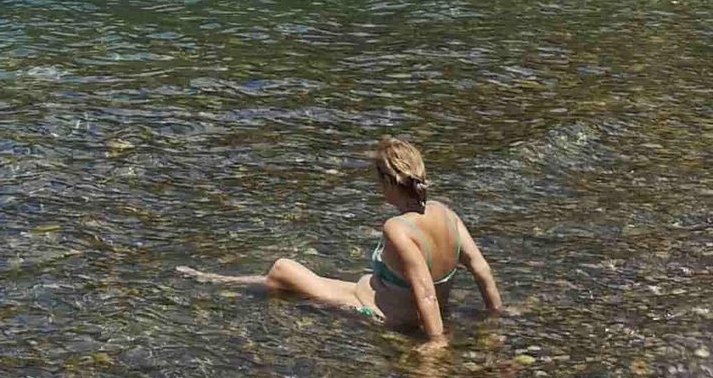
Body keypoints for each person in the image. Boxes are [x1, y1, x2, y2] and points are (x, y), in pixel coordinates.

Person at [180, 137, 503, 344]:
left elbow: (425, 294)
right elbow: (481, 269)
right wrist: (496, 314)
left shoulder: (398, 229)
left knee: (283, 269)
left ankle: (216, 281)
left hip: (384, 315)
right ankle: (220, 280)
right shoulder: (446, 213)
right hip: (379, 296)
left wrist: (436, 344)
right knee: (292, 279)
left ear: (389, 182)